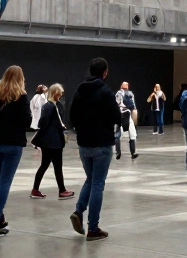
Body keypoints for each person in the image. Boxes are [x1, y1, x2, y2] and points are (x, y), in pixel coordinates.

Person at [70, 57, 117, 242]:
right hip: (102, 144)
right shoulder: (106, 92)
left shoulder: (80, 90)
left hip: (84, 144)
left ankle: (79, 210)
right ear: (104, 72)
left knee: (90, 179)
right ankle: (93, 228)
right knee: (98, 183)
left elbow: (72, 116)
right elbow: (115, 116)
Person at [0, 65, 30, 239]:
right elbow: (27, 121)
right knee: (5, 183)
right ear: (20, 78)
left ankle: (0, 218)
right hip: (13, 144)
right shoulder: (21, 96)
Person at [31, 83, 74, 199]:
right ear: (56, 93)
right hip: (52, 141)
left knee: (45, 166)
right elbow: (42, 123)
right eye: (60, 93)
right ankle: (62, 190)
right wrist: (56, 127)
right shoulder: (49, 106)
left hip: (52, 141)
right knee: (56, 166)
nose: (61, 95)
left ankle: (36, 190)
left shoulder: (54, 105)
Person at [114, 81, 138, 160]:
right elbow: (133, 106)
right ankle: (132, 152)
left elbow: (115, 104)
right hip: (126, 114)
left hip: (120, 114)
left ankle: (119, 152)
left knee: (118, 135)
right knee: (132, 134)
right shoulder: (130, 93)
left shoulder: (119, 93)